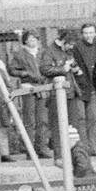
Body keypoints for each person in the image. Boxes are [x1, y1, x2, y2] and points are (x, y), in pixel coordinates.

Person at [7, 31, 52, 159]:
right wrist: (24, 74)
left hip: (42, 87)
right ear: (25, 40)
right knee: (29, 120)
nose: (33, 40)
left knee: (42, 119)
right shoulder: (20, 55)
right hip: (28, 88)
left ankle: (42, 147)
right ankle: (30, 150)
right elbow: (12, 69)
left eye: (35, 38)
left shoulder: (43, 53)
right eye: (30, 38)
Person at [40, 28, 80, 157]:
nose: (72, 47)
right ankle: (59, 155)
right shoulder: (49, 51)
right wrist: (62, 69)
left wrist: (74, 68)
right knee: (57, 127)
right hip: (56, 94)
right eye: (70, 44)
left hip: (71, 92)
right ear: (63, 41)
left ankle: (75, 153)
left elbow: (72, 65)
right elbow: (44, 69)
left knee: (73, 126)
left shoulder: (67, 51)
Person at [69, 24, 96, 156]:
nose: (88, 35)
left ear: (95, 33)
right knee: (81, 119)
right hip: (80, 88)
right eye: (86, 33)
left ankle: (92, 147)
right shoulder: (77, 47)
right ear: (82, 34)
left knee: (92, 118)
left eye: (91, 32)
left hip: (93, 88)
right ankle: (83, 147)